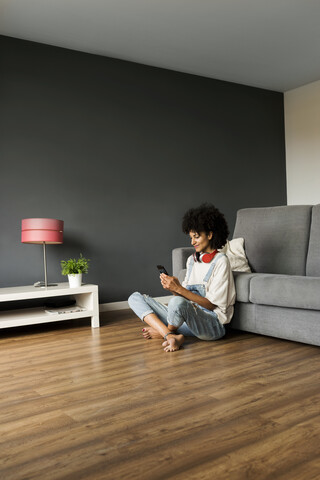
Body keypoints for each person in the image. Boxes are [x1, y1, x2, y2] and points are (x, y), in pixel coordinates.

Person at [128, 203, 236, 352]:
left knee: (176, 301)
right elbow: (182, 302)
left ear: (210, 235)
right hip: (188, 322)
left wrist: (179, 290)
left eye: (196, 237)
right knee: (135, 297)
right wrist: (173, 288)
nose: (192, 242)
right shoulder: (192, 260)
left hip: (212, 326)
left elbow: (211, 305)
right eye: (191, 237)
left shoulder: (221, 262)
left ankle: (164, 332)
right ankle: (169, 335)